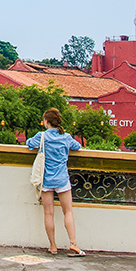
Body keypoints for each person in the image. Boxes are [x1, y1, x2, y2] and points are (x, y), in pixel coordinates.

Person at [26, 108, 85, 257]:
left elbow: (29, 144)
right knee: (68, 211)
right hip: (62, 178)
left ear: (46, 122)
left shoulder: (42, 136)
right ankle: (73, 243)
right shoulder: (65, 137)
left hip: (46, 179)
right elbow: (77, 146)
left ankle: (53, 246)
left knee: (48, 213)